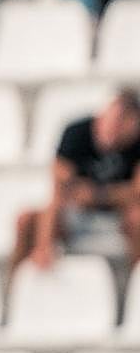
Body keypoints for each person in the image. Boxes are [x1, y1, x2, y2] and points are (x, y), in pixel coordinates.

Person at [11, 89, 140, 274]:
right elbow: (59, 191)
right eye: (110, 122)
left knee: (137, 218)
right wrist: (44, 245)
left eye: (121, 125)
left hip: (119, 218)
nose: (112, 130)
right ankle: (14, 291)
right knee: (26, 220)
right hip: (78, 215)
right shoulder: (76, 133)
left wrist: (96, 195)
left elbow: (136, 193)